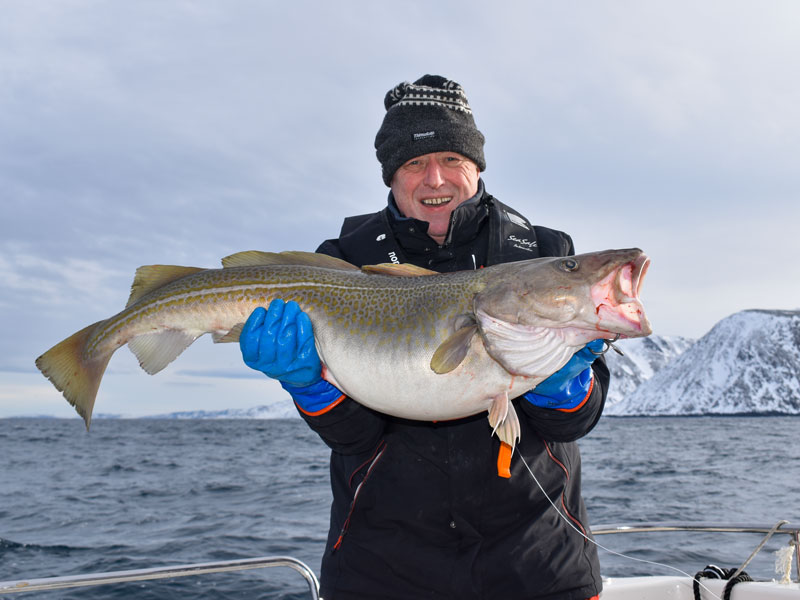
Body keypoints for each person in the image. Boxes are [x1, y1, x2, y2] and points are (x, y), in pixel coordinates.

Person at [240, 75, 609, 600]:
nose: (434, 178)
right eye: (414, 163)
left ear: (476, 166)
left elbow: (574, 422)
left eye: (452, 159)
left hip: (537, 565)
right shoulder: (342, 264)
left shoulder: (544, 256)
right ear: (391, 175)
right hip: (382, 569)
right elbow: (355, 440)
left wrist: (565, 389)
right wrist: (313, 387)